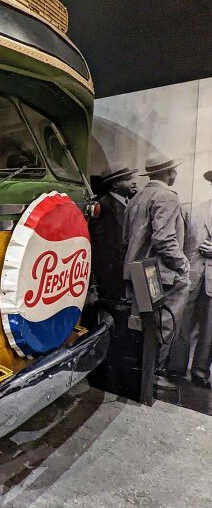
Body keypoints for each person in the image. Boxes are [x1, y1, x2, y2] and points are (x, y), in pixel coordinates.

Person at [123, 154, 189, 391]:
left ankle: (141, 375)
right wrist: (182, 263)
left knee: (142, 324)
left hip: (136, 272)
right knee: (164, 324)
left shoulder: (136, 198)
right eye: (174, 170)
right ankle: (154, 374)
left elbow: (125, 239)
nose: (176, 174)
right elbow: (164, 239)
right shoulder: (167, 197)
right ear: (167, 173)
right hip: (160, 275)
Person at [167, 170, 212, 388]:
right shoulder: (192, 210)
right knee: (182, 322)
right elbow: (176, 242)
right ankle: (175, 369)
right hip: (190, 275)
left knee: (210, 329)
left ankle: (200, 373)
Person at [90, 164, 138, 300]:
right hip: (112, 278)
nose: (134, 182)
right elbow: (100, 247)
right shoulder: (103, 206)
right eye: (128, 179)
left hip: (122, 275)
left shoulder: (127, 204)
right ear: (115, 185)